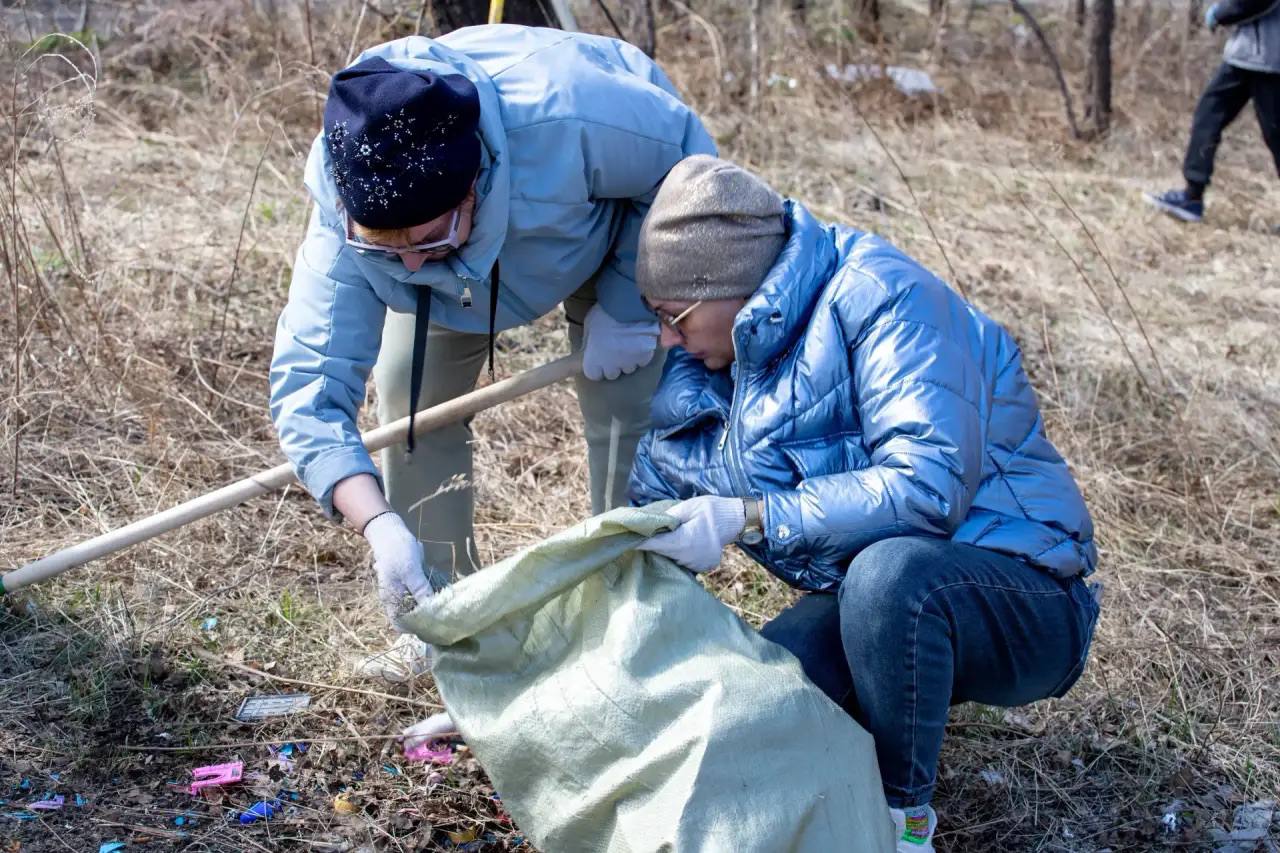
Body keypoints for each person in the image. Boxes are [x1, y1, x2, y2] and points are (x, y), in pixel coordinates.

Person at [627, 156, 1101, 852]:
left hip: (1019, 594)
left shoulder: (881, 295)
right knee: (753, 705)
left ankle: (898, 822)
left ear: (732, 286)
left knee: (889, 578)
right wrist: (526, 692)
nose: (667, 339)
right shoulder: (706, 364)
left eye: (674, 316)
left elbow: (926, 484)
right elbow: (633, 547)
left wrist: (748, 515)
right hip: (866, 601)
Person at [269, 25, 715, 676]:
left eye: (429, 235)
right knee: (409, 399)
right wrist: (378, 527)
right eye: (384, 247)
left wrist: (625, 303)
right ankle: (448, 614)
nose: (412, 260)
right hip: (456, 293)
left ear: (475, 179)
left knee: (625, 396)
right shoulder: (348, 217)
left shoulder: (569, 113)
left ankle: (639, 608)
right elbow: (308, 389)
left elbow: (688, 167)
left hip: (603, 226)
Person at [1145, 0, 1279, 222]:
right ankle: (1192, 197)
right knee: (1207, 117)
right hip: (1245, 56)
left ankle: (1192, 197)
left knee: (1276, 135)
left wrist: (1221, 13)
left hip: (1269, 60)